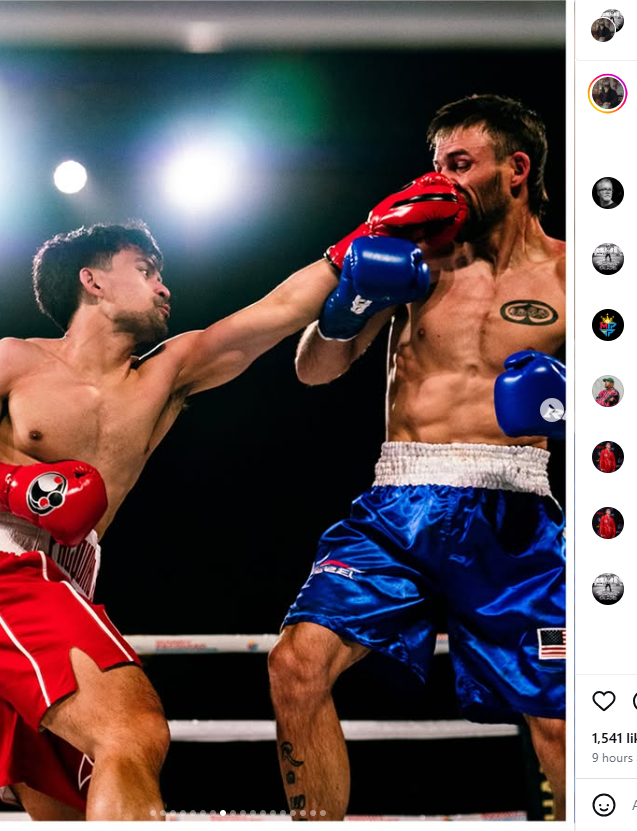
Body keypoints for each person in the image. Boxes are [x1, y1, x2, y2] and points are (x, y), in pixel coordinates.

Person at [0, 221, 429, 820]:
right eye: (145, 270)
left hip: (69, 588)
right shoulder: (15, 360)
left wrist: (366, 237)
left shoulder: (166, 374)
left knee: (72, 805)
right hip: (0, 579)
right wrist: (20, 488)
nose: (164, 287)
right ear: (92, 281)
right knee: (133, 730)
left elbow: (277, 312)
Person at [268, 94, 567, 821]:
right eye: (436, 165)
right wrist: (347, 304)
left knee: (563, 718)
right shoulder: (415, 259)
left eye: (460, 164)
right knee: (296, 665)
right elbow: (313, 369)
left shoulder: (580, 277)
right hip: (398, 504)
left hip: (517, 516)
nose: (440, 182)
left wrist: (569, 406)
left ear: (516, 169)